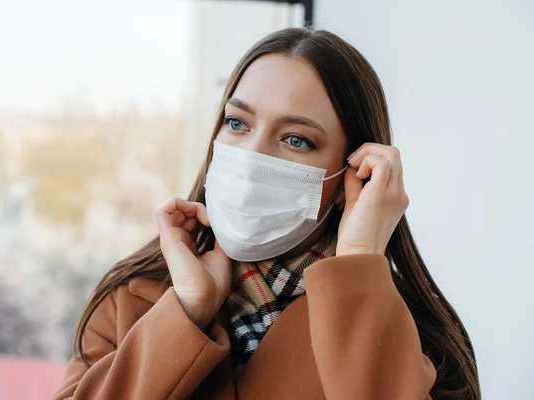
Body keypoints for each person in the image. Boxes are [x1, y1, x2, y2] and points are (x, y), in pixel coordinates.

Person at [53, 27, 480, 399]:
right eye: (237, 123)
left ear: (353, 175)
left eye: (296, 140)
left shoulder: (420, 336)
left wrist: (358, 260)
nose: (252, 157)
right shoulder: (131, 299)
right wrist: (186, 311)